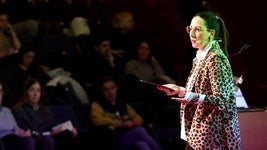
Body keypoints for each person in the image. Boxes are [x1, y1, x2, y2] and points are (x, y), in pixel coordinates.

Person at [162, 11, 242, 149]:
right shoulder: (201, 56)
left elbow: (223, 101)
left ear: (211, 33)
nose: (191, 34)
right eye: (190, 28)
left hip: (212, 137)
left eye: (197, 29)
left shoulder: (216, 59)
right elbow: (202, 91)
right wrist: (181, 91)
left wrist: (192, 97)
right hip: (200, 132)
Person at [89, 75, 162, 150]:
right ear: (102, 91)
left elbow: (138, 117)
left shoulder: (122, 104)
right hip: (114, 139)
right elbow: (98, 121)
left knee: (142, 145)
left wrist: (134, 122)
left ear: (116, 88)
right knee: (140, 131)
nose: (110, 92)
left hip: (130, 137)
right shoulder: (97, 105)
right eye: (106, 90)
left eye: (112, 88)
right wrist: (121, 124)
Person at [12, 78, 78, 150]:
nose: (36, 94)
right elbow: (28, 132)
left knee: (70, 134)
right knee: (48, 139)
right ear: (26, 92)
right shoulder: (19, 110)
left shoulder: (43, 109)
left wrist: (69, 128)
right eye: (32, 90)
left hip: (49, 135)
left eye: (38, 90)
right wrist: (49, 133)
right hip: (37, 138)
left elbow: (54, 123)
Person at [0, 80, 35, 150]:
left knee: (28, 140)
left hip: (14, 138)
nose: (0, 96)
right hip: (3, 140)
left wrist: (22, 132)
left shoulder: (7, 111)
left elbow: (16, 128)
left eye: (1, 92)